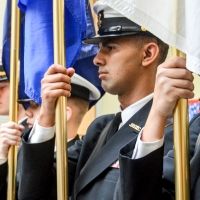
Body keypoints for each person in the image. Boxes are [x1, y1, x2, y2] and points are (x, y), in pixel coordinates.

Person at [16, 1, 199, 200]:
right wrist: (46, 113)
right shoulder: (100, 128)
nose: (97, 59)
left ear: (148, 53)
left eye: (110, 48)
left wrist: (157, 114)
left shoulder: (180, 132)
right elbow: (35, 193)